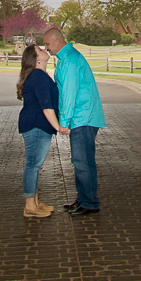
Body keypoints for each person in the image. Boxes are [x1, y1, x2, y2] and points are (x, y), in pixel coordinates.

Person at [42, 25, 106, 216]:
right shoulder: (66, 58)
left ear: (56, 41)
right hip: (83, 116)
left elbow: (69, 93)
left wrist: (64, 121)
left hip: (82, 117)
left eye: (47, 44)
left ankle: (89, 203)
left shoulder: (69, 60)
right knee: (81, 161)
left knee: (82, 161)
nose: (46, 48)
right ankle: (84, 199)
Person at [16, 42, 69, 219]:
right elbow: (46, 106)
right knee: (33, 165)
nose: (44, 49)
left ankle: (35, 203)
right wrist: (59, 127)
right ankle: (30, 206)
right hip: (35, 125)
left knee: (35, 165)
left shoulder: (40, 75)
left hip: (38, 125)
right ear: (36, 59)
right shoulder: (38, 76)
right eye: (40, 50)